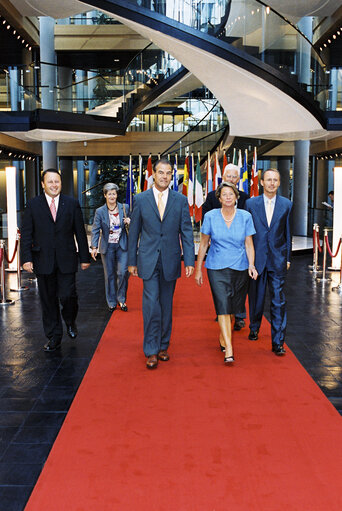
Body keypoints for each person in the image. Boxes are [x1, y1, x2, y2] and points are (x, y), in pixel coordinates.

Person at [128, 157, 195, 369]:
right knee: (150, 305)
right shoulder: (140, 199)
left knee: (166, 305)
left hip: (171, 260)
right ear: (153, 175)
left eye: (168, 173)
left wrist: (190, 260)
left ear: (172, 175)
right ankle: (151, 350)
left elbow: (186, 231)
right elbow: (134, 233)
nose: (164, 176)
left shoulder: (180, 200)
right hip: (147, 260)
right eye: (161, 172)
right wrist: (132, 260)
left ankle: (163, 345)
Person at [21, 168, 90, 352]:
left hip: (67, 259)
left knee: (68, 296)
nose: (54, 185)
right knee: (48, 301)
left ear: (61, 183)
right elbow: (27, 233)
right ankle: (54, 336)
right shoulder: (33, 204)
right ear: (43, 184)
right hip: (43, 260)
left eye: (57, 181)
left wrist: (84, 257)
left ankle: (69, 320)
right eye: (50, 182)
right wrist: (26, 258)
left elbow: (80, 233)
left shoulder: (72, 203)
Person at [195, 182, 258, 364]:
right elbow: (204, 243)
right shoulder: (210, 216)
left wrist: (251, 265)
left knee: (232, 309)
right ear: (219, 198)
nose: (228, 197)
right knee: (222, 305)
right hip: (216, 267)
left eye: (232, 194)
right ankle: (229, 348)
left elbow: (249, 244)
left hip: (240, 267)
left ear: (236, 197)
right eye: (225, 194)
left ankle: (224, 337)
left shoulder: (245, 216)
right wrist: (199, 268)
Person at [245, 168, 292, 356]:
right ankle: (254, 326)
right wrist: (248, 260)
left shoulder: (286, 204)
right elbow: (247, 233)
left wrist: (288, 257)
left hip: (278, 259)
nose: (272, 183)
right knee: (256, 297)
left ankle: (278, 341)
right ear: (261, 183)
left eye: (275, 180)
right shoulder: (250, 204)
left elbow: (288, 232)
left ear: (279, 183)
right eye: (268, 180)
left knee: (278, 301)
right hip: (257, 258)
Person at [202, 162, 249, 331]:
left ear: (238, 178)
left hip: (239, 253)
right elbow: (205, 220)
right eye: (228, 176)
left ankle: (239, 315)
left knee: (238, 288)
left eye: (234, 176)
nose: (231, 178)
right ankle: (223, 312)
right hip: (218, 252)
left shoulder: (245, 198)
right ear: (223, 177)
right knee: (222, 288)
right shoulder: (212, 196)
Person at [91, 183, 131, 313]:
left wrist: (130, 222)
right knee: (109, 275)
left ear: (117, 194)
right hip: (107, 247)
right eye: (109, 194)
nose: (112, 196)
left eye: (114, 193)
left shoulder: (125, 207)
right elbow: (96, 230)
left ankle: (122, 299)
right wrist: (93, 246)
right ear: (105, 195)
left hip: (122, 245)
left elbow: (135, 225)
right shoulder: (100, 211)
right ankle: (112, 301)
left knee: (122, 272)